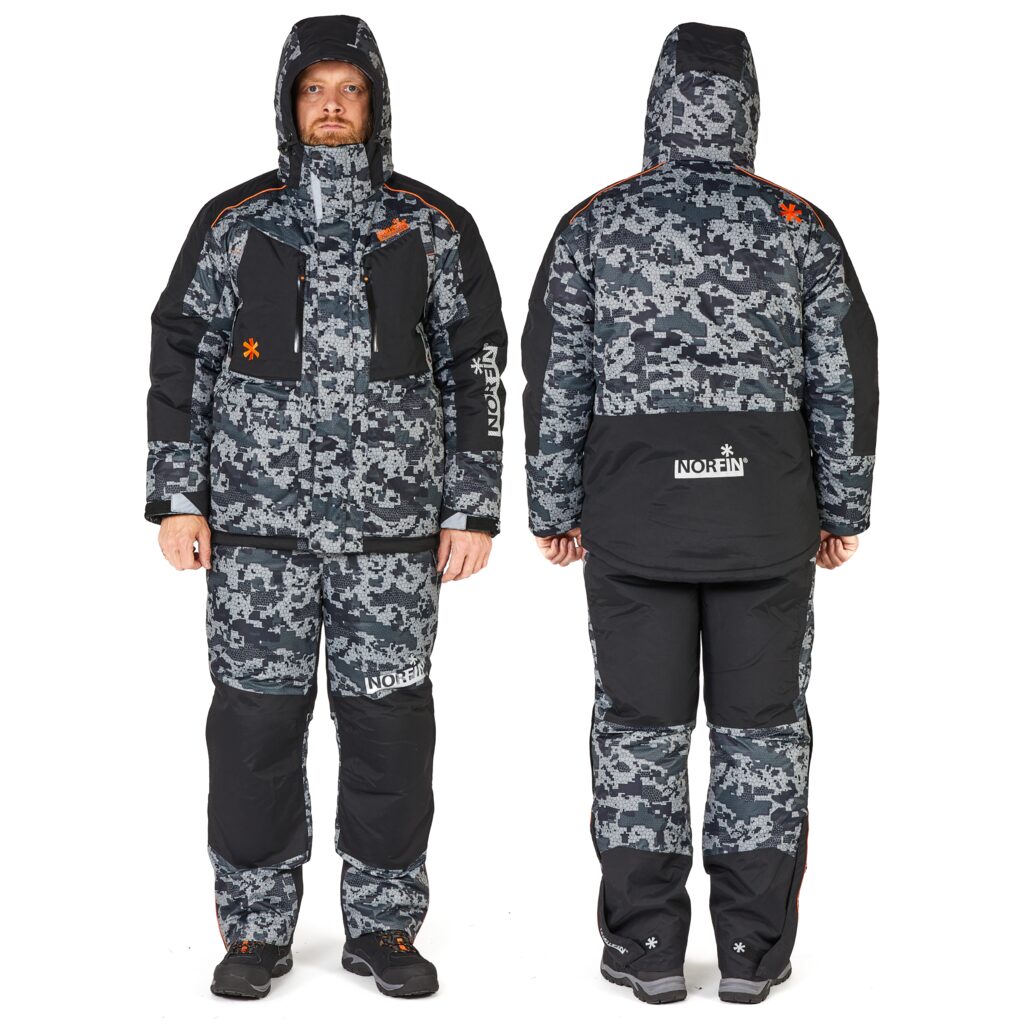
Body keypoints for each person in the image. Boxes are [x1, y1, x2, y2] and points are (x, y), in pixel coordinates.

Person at [145, 14, 506, 1000]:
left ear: (375, 104)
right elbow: (182, 358)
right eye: (316, 90)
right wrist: (178, 497)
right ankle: (255, 929)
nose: (333, 106)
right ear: (289, 103)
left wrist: (471, 508)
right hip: (255, 540)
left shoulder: (430, 225)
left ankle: (384, 925)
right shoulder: (238, 222)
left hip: (393, 542)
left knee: (391, 731)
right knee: (253, 732)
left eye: (350, 90)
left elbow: (475, 367)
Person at [522, 22, 877, 1005]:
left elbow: (556, 376)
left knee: (638, 733)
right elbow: (845, 374)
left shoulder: (595, 222)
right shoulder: (799, 224)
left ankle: (645, 946)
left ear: (657, 104)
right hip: (767, 522)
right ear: (748, 107)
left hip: (633, 523)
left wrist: (553, 506)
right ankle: (753, 950)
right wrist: (842, 506)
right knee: (763, 734)